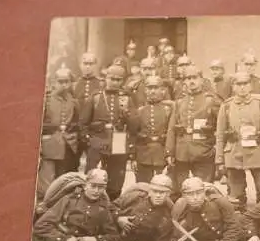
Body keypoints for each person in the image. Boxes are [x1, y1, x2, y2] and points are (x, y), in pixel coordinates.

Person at [215, 71, 260, 211]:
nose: (242, 87)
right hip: (234, 153)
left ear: (250, 85)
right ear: (233, 87)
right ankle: (239, 223)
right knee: (235, 195)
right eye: (238, 84)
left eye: (245, 84)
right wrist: (219, 159)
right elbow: (220, 135)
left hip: (258, 153)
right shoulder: (226, 106)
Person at [79, 63, 138, 201]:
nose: (115, 82)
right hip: (98, 139)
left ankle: (112, 207)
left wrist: (127, 112)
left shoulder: (127, 98)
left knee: (116, 179)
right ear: (106, 78)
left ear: (122, 81)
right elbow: (83, 123)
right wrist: (90, 140)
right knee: (91, 176)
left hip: (119, 139)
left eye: (118, 80)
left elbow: (135, 126)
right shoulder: (96, 97)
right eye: (112, 79)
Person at [33, 164, 121, 241]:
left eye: (101, 187)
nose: (96, 191)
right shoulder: (69, 200)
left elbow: (114, 237)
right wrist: (64, 240)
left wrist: (94, 239)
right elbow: (41, 225)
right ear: (85, 185)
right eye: (93, 186)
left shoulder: (104, 207)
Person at [166, 65, 220, 197]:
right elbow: (172, 128)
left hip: (203, 151)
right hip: (182, 152)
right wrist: (169, 152)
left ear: (201, 79)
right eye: (188, 78)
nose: (191, 81)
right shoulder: (179, 102)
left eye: (194, 78)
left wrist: (216, 150)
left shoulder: (211, 101)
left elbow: (220, 127)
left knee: (204, 188)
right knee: (178, 189)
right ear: (184, 81)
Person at [169, 174, 247, 241]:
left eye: (199, 193)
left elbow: (234, 227)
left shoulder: (219, 202)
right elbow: (175, 237)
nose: (195, 197)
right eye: (190, 194)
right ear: (184, 195)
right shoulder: (180, 208)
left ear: (204, 192)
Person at [37, 64, 79, 200]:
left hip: (67, 145)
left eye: (67, 82)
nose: (64, 85)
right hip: (49, 144)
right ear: (54, 82)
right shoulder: (46, 100)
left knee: (63, 181)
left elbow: (77, 122)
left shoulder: (73, 102)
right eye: (60, 82)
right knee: (46, 182)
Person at [113, 169, 174, 241]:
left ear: (168, 194)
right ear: (150, 191)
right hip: (115, 239)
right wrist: (118, 218)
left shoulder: (167, 216)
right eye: (155, 191)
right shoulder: (135, 196)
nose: (158, 196)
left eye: (162, 192)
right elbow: (110, 207)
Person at [131, 76, 174, 183]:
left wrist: (170, 154)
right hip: (143, 155)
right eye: (150, 88)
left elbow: (172, 133)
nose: (153, 91)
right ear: (145, 90)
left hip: (162, 154)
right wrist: (133, 157)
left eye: (156, 88)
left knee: (163, 186)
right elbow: (134, 134)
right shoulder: (140, 111)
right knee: (143, 186)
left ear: (162, 90)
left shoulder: (168, 110)